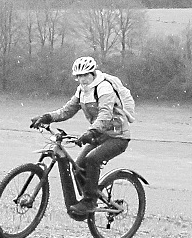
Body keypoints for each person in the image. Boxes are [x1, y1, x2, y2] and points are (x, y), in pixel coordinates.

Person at [29, 56, 131, 216]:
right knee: (78, 167)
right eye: (79, 76)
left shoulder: (104, 88)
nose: (82, 79)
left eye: (85, 75)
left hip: (117, 137)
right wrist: (47, 117)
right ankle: (88, 199)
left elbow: (105, 115)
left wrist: (91, 132)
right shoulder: (82, 91)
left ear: (92, 73)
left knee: (92, 160)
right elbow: (66, 111)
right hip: (99, 135)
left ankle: (89, 202)